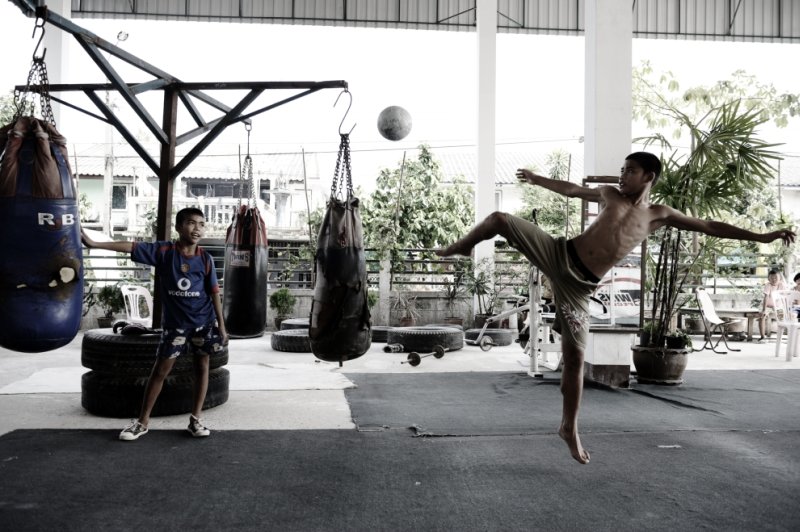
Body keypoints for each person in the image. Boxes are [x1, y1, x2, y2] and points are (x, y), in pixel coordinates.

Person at [437, 151, 796, 464]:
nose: (621, 176)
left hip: (578, 289)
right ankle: (464, 246)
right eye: (621, 170)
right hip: (559, 253)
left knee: (575, 359)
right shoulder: (609, 194)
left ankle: (569, 428)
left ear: (648, 177)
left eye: (628, 171)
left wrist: (762, 237)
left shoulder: (659, 214)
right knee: (499, 219)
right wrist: (535, 179)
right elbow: (571, 189)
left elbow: (709, 225)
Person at [82, 207, 228, 441]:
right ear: (179, 227)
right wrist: (94, 244)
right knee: (160, 371)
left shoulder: (206, 259)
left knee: (202, 368)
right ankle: (142, 422)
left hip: (204, 324)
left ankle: (196, 419)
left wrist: (221, 325)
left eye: (201, 224)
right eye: (191, 223)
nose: (197, 228)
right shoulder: (164, 251)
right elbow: (130, 246)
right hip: (175, 327)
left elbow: (214, 293)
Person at [758, 269, 787, 342]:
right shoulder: (768, 285)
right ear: (768, 279)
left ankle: (780, 337)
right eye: (771, 278)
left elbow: (784, 297)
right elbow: (766, 297)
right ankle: (762, 336)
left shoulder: (782, 285)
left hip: (777, 305)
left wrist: (785, 308)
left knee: (782, 318)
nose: (774, 280)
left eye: (776, 278)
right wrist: (764, 310)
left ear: (779, 278)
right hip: (767, 305)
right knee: (762, 316)